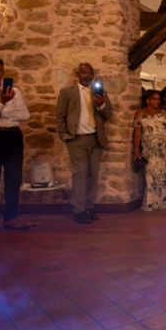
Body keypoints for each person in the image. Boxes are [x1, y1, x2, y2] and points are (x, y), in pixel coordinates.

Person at [56, 62, 112, 224]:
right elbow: (60, 116)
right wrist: (64, 135)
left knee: (92, 175)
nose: (87, 76)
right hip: (76, 140)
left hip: (96, 139)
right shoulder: (67, 92)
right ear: (78, 75)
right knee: (80, 174)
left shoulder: (99, 92)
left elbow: (108, 114)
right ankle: (79, 210)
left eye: (90, 73)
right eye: (83, 73)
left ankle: (89, 207)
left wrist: (100, 104)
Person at [0, 57, 30, 234]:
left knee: (13, 180)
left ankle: (11, 218)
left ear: (3, 73)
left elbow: (25, 115)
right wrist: (3, 103)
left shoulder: (15, 91)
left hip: (13, 136)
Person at [133, 90, 166, 211]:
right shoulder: (140, 113)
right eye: (155, 99)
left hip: (165, 147)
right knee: (151, 173)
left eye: (159, 99)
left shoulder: (164, 112)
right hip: (150, 148)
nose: (158, 101)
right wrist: (136, 149)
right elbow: (137, 133)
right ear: (148, 100)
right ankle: (152, 201)